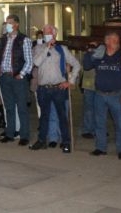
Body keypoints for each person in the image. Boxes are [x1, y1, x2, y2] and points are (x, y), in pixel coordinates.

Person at [30, 24, 80, 153]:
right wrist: (47, 47)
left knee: (62, 116)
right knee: (44, 116)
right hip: (43, 88)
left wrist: (70, 81)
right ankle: (42, 140)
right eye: (44, 33)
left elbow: (76, 64)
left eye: (48, 33)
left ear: (54, 34)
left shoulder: (62, 49)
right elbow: (36, 63)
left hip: (59, 87)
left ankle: (66, 142)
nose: (46, 35)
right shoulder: (38, 48)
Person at [84, 31, 121, 159]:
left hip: (116, 95)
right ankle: (101, 147)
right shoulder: (99, 55)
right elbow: (87, 66)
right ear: (106, 41)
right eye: (114, 40)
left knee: (120, 124)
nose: (117, 42)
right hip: (100, 95)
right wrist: (89, 51)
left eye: (117, 40)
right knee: (99, 123)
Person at [0, 15, 33, 146]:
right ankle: (9, 133)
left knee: (22, 107)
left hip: (17, 78)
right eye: (6, 23)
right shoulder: (3, 40)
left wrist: (21, 74)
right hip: (4, 77)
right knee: (9, 107)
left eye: (10, 23)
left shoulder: (24, 40)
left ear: (16, 24)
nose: (7, 25)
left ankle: (24, 135)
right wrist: (0, 72)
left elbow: (29, 61)